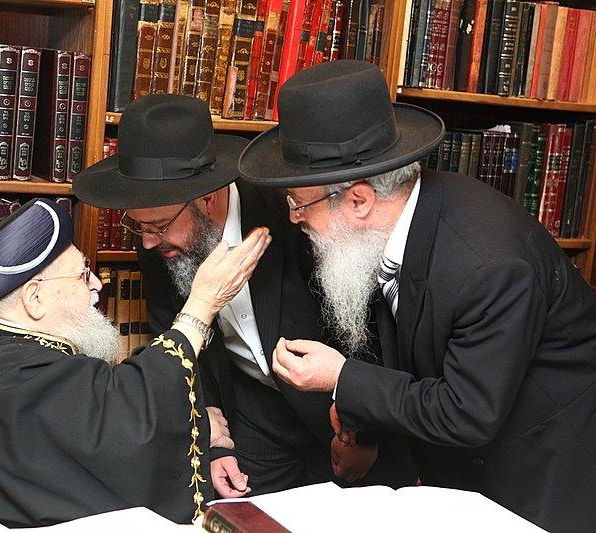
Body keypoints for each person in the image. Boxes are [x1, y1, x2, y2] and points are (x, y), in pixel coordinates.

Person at [239, 59, 596, 532]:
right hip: (463, 468)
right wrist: (361, 425)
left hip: (542, 475)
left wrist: (340, 378)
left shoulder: (488, 268)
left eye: (299, 203)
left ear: (359, 200)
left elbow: (467, 412)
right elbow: (408, 350)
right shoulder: (389, 227)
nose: (294, 218)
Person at [73, 93, 416, 498]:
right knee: (239, 519)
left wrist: (364, 434)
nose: (147, 241)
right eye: (139, 227)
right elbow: (178, 341)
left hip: (340, 415)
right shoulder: (158, 240)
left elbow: (367, 327)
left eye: (158, 226)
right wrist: (212, 437)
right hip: (251, 412)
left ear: (207, 198)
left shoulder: (299, 214)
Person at [0, 197, 271, 527]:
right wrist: (203, 304)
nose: (97, 285)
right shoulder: (8, 377)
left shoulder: (8, 355)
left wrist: (196, 425)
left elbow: (94, 420)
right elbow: (121, 436)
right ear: (35, 298)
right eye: (82, 275)